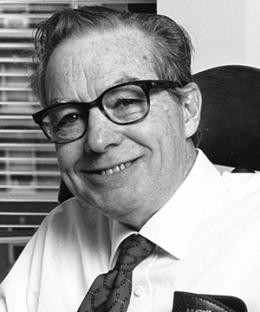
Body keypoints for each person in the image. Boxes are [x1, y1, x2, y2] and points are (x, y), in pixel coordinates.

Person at [0, 5, 260, 312]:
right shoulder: (61, 227)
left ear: (188, 110)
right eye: (69, 117)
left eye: (125, 101)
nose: (97, 141)